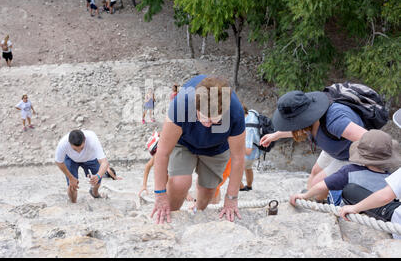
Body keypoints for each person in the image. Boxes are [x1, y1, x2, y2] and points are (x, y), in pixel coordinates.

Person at [151, 75, 246, 224]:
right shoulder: (182, 104)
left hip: (217, 147)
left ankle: (198, 212)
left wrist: (231, 198)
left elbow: (238, 158)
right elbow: (162, 152)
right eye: (203, 118)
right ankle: (170, 215)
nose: (207, 125)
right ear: (195, 106)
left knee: (208, 189)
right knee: (179, 182)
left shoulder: (235, 112)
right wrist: (160, 194)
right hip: (184, 141)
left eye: (214, 120)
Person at [260, 90, 367, 201]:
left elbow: (370, 140)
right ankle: (309, 200)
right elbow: (301, 130)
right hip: (335, 148)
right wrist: (276, 135)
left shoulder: (335, 121)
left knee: (318, 183)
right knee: (315, 171)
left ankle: (320, 205)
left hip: (351, 155)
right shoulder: (311, 118)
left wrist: (373, 169)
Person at [290, 130, 400, 210]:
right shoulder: (391, 178)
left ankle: (323, 203)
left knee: (335, 187)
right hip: (377, 210)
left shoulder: (349, 171)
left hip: (347, 208)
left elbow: (321, 186)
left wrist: (305, 196)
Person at [339, 110, 401, 239]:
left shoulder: (348, 171)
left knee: (350, 190)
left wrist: (355, 208)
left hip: (397, 217)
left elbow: (385, 196)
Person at [55, 130, 109, 203]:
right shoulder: (63, 143)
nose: (79, 152)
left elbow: (104, 162)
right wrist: (71, 178)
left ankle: (94, 193)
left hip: (91, 158)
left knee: (97, 181)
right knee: (72, 186)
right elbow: (59, 162)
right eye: (74, 149)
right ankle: (73, 203)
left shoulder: (92, 139)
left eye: (81, 148)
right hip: (71, 159)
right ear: (69, 142)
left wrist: (98, 176)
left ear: (85, 140)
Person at [240, 104, 261, 191]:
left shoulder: (249, 128)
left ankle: (241, 187)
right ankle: (249, 186)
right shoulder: (252, 114)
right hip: (255, 151)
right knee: (248, 167)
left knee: (229, 170)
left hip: (250, 153)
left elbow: (248, 150)